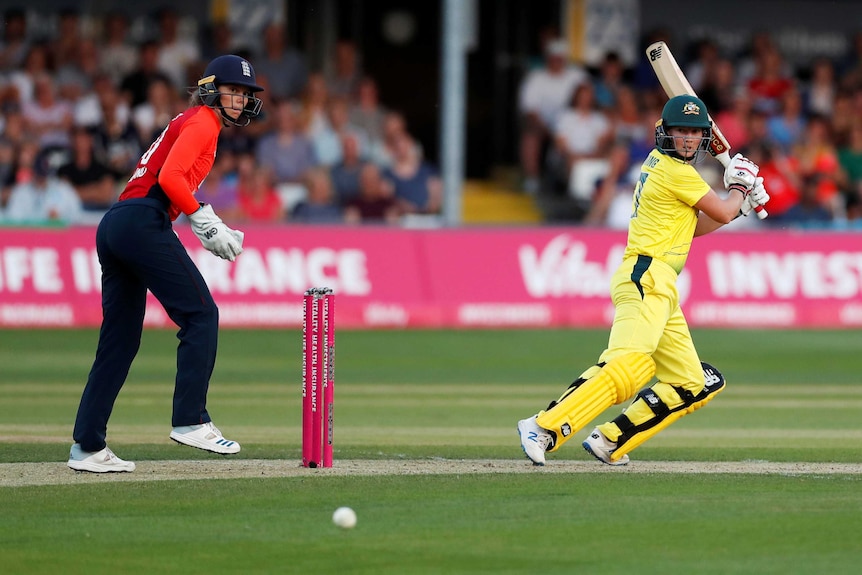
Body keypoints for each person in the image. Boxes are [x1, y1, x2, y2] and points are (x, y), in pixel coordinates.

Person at [517, 95, 770, 466]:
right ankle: (544, 426)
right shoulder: (675, 171)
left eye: (694, 132)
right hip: (646, 277)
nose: (687, 138)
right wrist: (740, 188)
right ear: (665, 133)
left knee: (692, 382)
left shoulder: (668, 169)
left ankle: (611, 440)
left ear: (703, 138)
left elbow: (698, 226)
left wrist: (741, 201)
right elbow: (722, 208)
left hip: (661, 284)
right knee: (628, 366)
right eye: (680, 130)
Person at [67, 54, 264, 473]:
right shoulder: (203, 121)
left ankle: (87, 446)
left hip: (118, 222)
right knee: (201, 315)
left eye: (247, 94)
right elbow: (171, 178)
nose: (242, 100)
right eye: (235, 91)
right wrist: (204, 219)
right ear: (211, 89)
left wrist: (198, 216)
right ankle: (191, 419)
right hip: (141, 219)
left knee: (120, 342)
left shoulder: (191, 120)